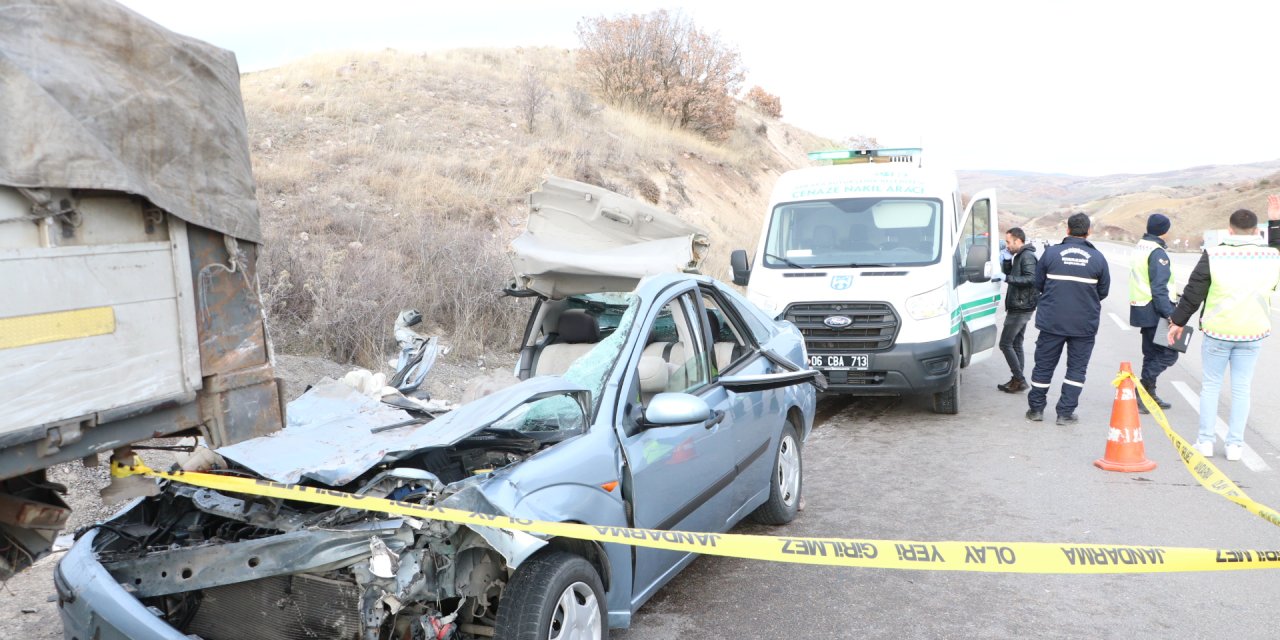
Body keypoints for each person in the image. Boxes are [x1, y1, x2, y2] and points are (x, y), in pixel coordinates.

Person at [1168, 199, 1280, 460]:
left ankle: (1205, 442)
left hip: (1218, 332)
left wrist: (1177, 322)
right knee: (1242, 388)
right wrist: (1275, 221)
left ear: (1229, 231)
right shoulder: (1271, 256)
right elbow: (1277, 245)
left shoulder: (1214, 254)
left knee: (1211, 385)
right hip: (1252, 332)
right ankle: (1235, 446)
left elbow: (1193, 293)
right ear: (1256, 231)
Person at [1026, 213, 1110, 425]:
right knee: (1076, 369)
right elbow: (1103, 291)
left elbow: (1038, 283)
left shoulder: (1051, 253)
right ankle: (1065, 413)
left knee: (1043, 366)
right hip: (1083, 325)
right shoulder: (1098, 258)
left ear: (1067, 230)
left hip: (1052, 321)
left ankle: (1036, 409)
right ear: (1088, 231)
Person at [1128, 213, 1178, 414]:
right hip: (1155, 309)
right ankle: (1141, 389)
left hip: (1142, 307)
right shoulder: (1157, 252)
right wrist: (1170, 315)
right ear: (1165, 231)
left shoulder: (1140, 247)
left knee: (1150, 354)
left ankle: (1148, 395)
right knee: (1169, 354)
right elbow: (1158, 287)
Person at [997, 227, 1038, 392]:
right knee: (1016, 343)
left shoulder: (1027, 256)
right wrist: (1007, 261)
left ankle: (1020, 379)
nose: (1007, 245)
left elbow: (1031, 279)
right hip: (1020, 304)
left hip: (1021, 306)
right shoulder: (1019, 256)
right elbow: (1013, 274)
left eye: (1008, 242)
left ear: (1018, 241)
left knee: (1005, 344)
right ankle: (1016, 380)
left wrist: (1006, 277)